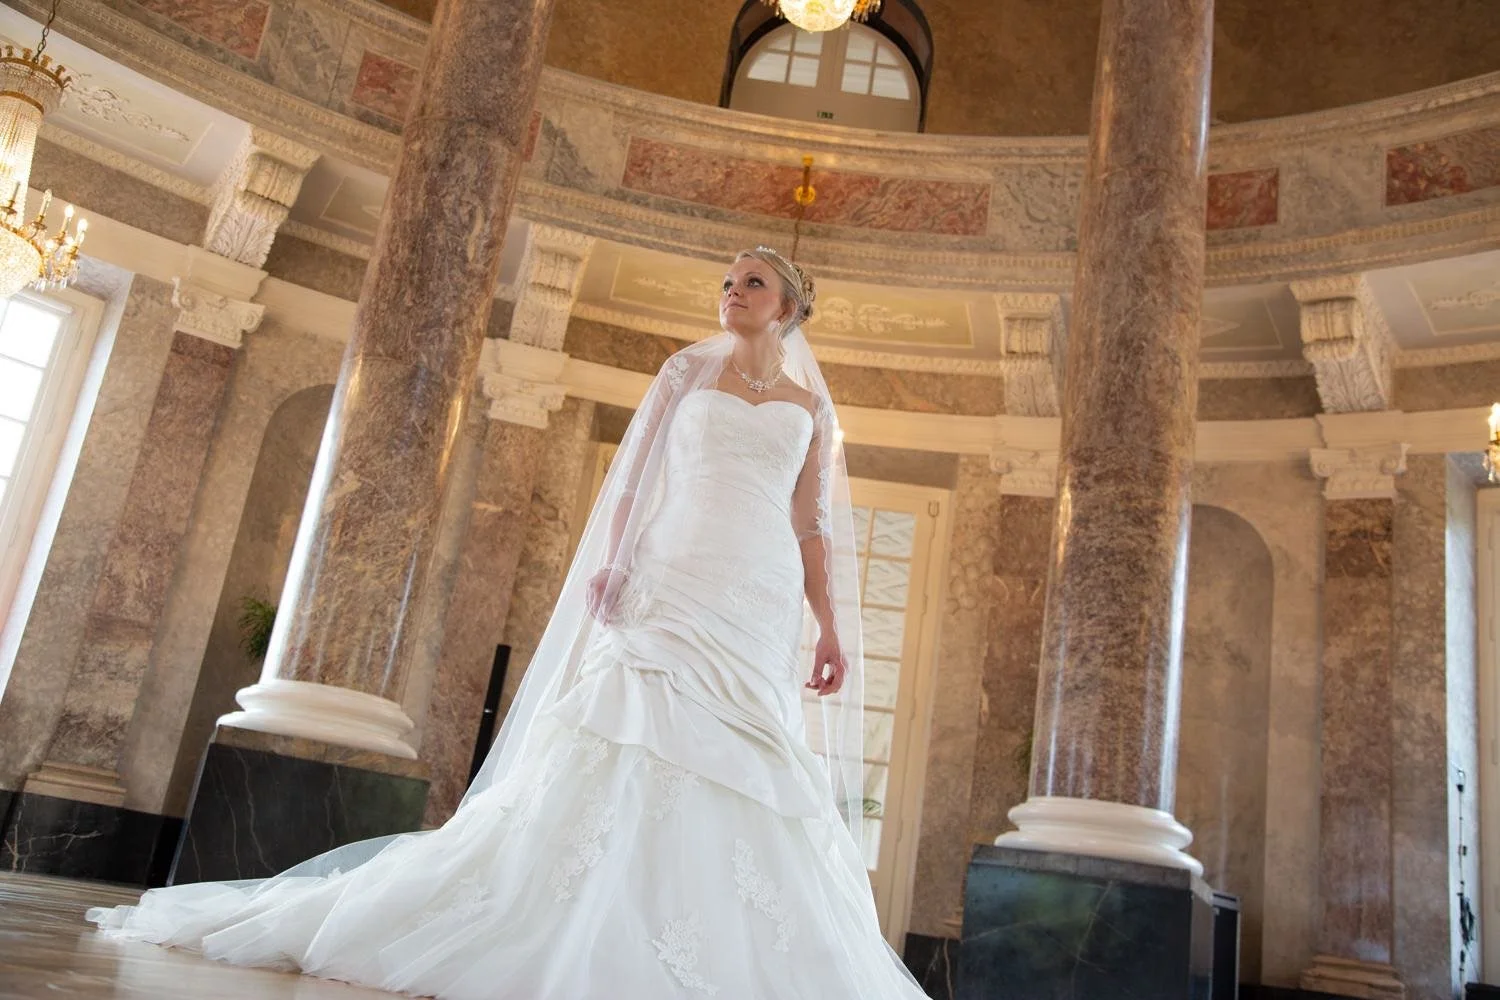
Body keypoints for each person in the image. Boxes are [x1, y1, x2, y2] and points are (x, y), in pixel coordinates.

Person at [88, 247, 928, 1000]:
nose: (732, 291)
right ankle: (576, 908)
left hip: (758, 596)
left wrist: (828, 627)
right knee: (626, 722)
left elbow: (811, 526)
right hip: (674, 578)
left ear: (788, 307)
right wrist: (617, 561)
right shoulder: (684, 373)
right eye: (728, 280)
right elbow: (634, 479)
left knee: (747, 755)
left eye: (752, 282)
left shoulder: (808, 408)